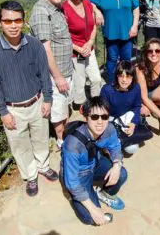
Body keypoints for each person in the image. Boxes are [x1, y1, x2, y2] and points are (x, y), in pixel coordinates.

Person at [0, 0, 58, 197]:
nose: (13, 25)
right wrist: (3, 112)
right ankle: (31, 176)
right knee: (21, 146)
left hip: (37, 101)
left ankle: (43, 166)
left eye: (17, 20)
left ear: (23, 21)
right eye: (8, 21)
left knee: (41, 139)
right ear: (0, 22)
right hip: (13, 108)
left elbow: (43, 73)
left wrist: (48, 99)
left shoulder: (34, 45)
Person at [61, 96, 129, 226]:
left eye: (104, 117)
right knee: (90, 218)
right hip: (79, 175)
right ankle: (76, 198)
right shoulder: (72, 145)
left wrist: (116, 165)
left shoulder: (109, 129)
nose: (100, 122)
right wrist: (93, 209)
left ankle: (103, 193)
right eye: (94, 117)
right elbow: (72, 182)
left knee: (122, 174)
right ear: (86, 118)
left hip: (95, 162)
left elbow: (115, 147)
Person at [29, 0, 74, 150]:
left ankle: (65, 136)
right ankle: (62, 141)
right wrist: (58, 77)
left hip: (65, 69)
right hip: (56, 75)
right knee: (57, 111)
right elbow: (45, 49)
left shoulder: (55, 8)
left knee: (64, 106)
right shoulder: (41, 12)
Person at [90, 0, 140, 84]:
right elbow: (90, 3)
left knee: (126, 59)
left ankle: (126, 82)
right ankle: (112, 83)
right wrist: (97, 12)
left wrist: (134, 26)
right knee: (112, 59)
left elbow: (136, 8)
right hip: (110, 32)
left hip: (127, 32)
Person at [62, 0, 104, 102]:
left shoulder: (87, 3)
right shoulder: (64, 8)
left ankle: (95, 103)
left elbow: (93, 26)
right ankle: (80, 107)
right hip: (75, 52)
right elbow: (63, 35)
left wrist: (90, 42)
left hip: (88, 49)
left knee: (96, 78)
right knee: (79, 83)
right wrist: (78, 48)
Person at [100, 61, 154, 154]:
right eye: (121, 76)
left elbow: (137, 107)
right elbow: (102, 112)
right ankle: (112, 144)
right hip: (111, 119)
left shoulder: (136, 88)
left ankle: (117, 143)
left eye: (128, 76)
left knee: (131, 149)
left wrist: (133, 123)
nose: (124, 80)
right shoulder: (107, 90)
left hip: (127, 118)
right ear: (117, 76)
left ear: (133, 77)